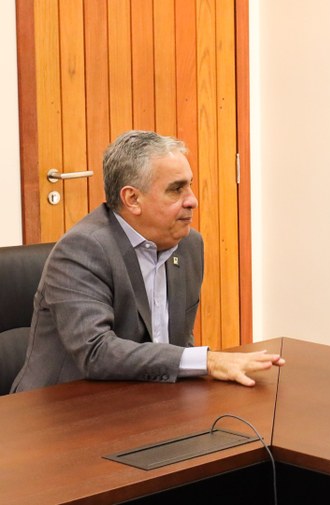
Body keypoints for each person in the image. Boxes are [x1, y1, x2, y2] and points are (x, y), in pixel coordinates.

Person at [12, 130, 284, 392]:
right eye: (176, 189)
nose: (193, 200)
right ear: (132, 199)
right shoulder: (82, 249)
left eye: (189, 185)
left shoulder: (188, 245)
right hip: (60, 413)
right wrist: (208, 361)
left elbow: (178, 340)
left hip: (144, 399)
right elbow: (96, 352)